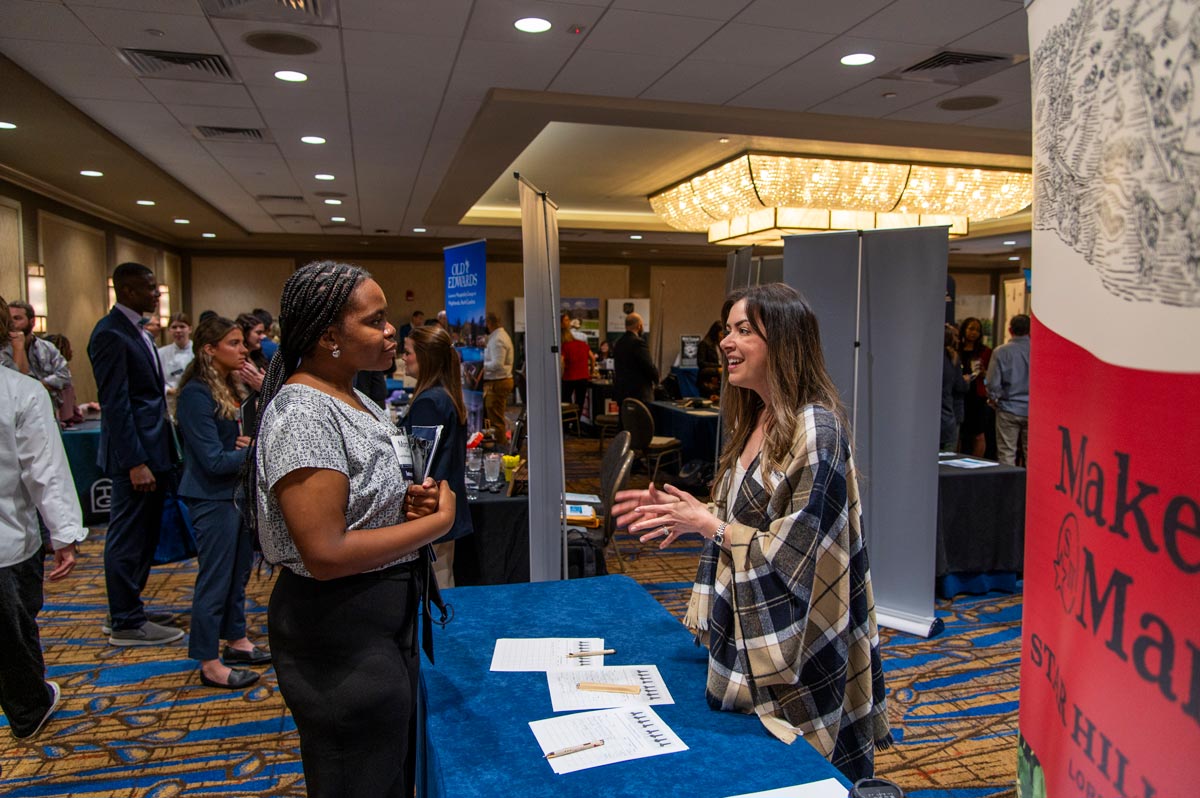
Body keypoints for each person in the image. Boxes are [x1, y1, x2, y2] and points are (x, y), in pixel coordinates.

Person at [612, 283, 891, 780]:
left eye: (744, 330)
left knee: (802, 773)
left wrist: (709, 525)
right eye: (728, 330)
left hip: (799, 646)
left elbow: (797, 555)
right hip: (749, 635)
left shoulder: (817, 431)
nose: (725, 341)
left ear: (784, 342)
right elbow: (745, 513)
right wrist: (690, 511)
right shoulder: (757, 415)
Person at [247, 260, 455, 797]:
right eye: (375, 320)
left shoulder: (355, 395)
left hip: (377, 615)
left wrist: (406, 503)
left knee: (386, 773)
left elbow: (355, 503)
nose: (393, 332)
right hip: (337, 625)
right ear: (327, 337)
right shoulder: (304, 412)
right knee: (354, 778)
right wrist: (437, 523)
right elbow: (326, 551)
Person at [0, 298, 88, 740]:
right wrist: (66, 536)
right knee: (13, 633)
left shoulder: (20, 390)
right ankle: (29, 707)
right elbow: (45, 472)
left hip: (8, 538)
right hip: (8, 544)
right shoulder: (18, 391)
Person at [87, 262, 183, 646]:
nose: (156, 295)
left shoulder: (135, 330)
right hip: (136, 456)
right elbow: (116, 404)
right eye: (149, 289)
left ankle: (128, 605)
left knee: (144, 534)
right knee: (128, 536)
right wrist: (135, 462)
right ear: (126, 290)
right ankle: (125, 621)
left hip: (153, 449)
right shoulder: (110, 333)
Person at [176, 316, 269, 690]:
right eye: (233, 344)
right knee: (214, 580)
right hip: (211, 497)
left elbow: (242, 438)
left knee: (237, 575)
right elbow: (213, 460)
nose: (243, 349)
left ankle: (237, 641)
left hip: (235, 494)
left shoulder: (231, 386)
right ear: (209, 350)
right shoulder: (196, 394)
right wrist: (255, 451)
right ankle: (208, 661)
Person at [401, 325, 473, 589]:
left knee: (437, 587)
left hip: (431, 510)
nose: (403, 358)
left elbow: (420, 466)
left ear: (425, 357)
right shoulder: (445, 396)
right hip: (444, 506)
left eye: (408, 352)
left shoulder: (429, 402)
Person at [1, 300, 72, 405]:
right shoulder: (3, 349)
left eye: (17, 318)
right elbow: (15, 384)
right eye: (9, 319)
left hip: (47, 407)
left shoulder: (47, 348)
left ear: (32, 321)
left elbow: (65, 376)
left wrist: (36, 385)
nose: (12, 323)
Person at [987, 314, 1031, 466]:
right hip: (1032, 410)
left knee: (1007, 452)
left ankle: (1008, 487)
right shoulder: (1039, 351)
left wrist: (993, 398)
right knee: (1031, 454)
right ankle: (1030, 488)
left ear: (1010, 330)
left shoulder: (1001, 352)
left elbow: (993, 382)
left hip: (1008, 407)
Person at [956, 316, 993, 457]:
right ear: (964, 329)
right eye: (971, 328)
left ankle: (977, 463)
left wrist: (984, 373)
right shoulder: (956, 349)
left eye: (977, 330)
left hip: (977, 395)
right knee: (959, 433)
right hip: (959, 394)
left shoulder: (985, 351)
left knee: (979, 433)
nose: (974, 333)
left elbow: (991, 375)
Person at [481, 310, 514, 441]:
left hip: (498, 382)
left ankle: (501, 449)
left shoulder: (498, 338)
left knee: (496, 420)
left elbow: (497, 364)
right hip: (497, 381)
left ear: (488, 322)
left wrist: (480, 366)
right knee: (492, 417)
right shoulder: (498, 336)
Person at [613, 312, 658, 407]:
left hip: (622, 393)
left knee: (625, 420)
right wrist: (657, 379)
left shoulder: (618, 343)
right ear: (639, 326)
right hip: (638, 393)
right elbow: (648, 366)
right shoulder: (639, 343)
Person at [941, 324, 969, 451]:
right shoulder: (952, 359)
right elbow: (960, 386)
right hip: (948, 415)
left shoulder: (928, 358)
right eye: (956, 337)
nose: (959, 340)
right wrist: (966, 381)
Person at [560, 313, 594, 411]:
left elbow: (561, 362)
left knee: (566, 401)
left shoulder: (565, 346)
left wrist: (561, 374)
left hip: (569, 377)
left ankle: (568, 422)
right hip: (583, 377)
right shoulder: (583, 344)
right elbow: (592, 358)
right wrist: (591, 372)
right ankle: (577, 422)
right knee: (580, 402)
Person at [159, 312, 194, 400]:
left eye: (182, 327)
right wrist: (168, 390)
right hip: (171, 400)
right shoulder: (161, 353)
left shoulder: (198, 351)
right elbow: (156, 380)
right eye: (174, 327)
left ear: (190, 329)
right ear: (169, 330)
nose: (178, 330)